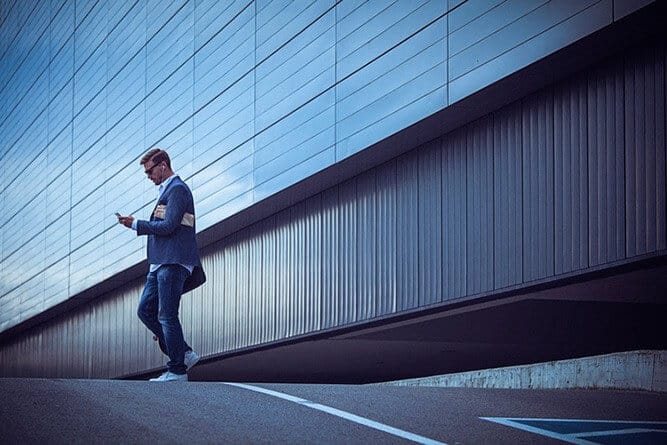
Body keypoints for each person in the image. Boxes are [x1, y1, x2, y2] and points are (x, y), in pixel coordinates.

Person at [118, 148, 206, 382]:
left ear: (163, 165)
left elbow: (169, 227)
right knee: (146, 311)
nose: (149, 176)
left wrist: (136, 224)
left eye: (150, 171)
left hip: (173, 262)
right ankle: (184, 352)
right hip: (159, 264)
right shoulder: (167, 191)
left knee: (167, 316)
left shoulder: (177, 190)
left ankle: (177, 371)